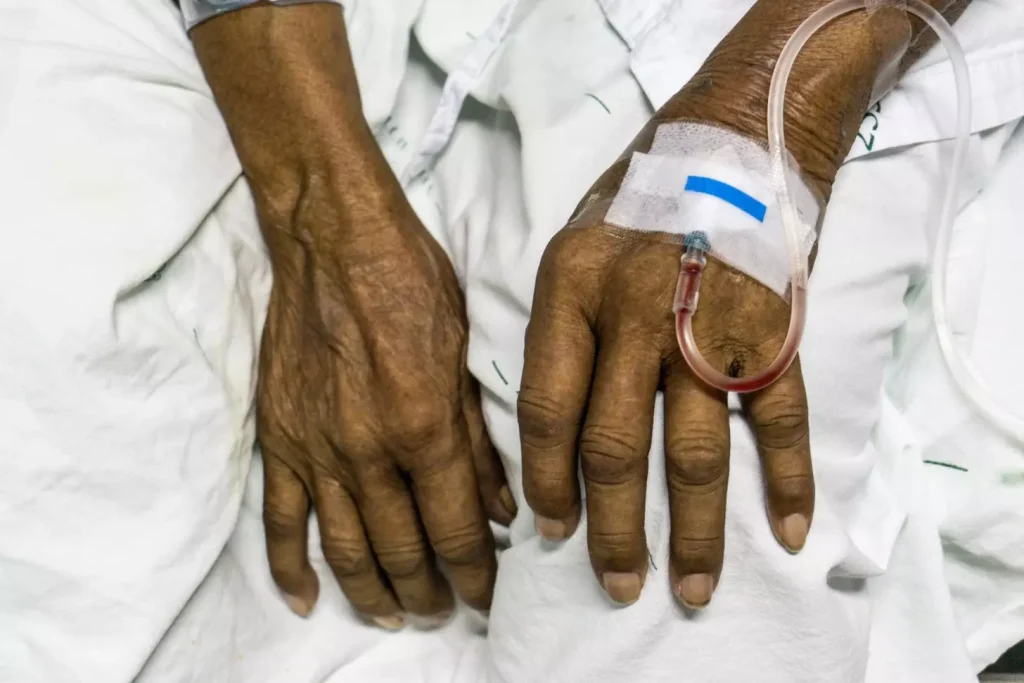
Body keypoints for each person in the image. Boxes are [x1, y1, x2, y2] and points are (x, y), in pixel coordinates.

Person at [1, 0, 1023, 681]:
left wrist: (756, 130)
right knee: (45, 345)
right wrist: (324, 207)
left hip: (787, 35)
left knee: (687, 471)